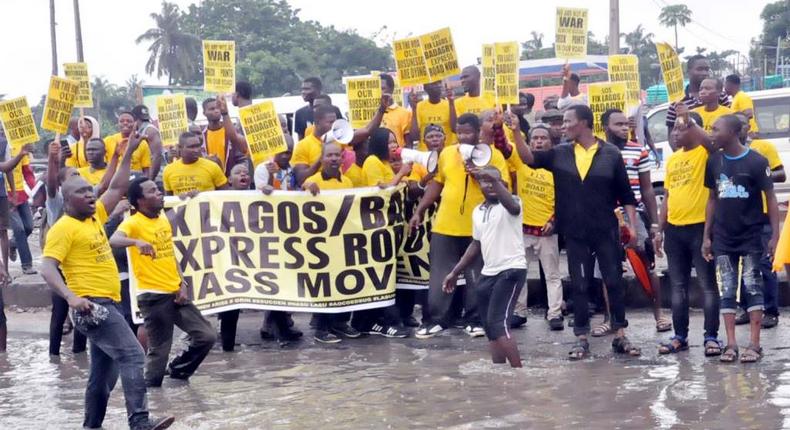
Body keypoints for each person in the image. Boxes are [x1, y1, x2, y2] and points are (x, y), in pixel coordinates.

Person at [40, 133, 174, 430]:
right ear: (67, 200)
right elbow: (47, 267)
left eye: (91, 190)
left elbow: (117, 186)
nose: (91, 195)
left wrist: (128, 153)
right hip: (91, 306)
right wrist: (71, 297)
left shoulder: (95, 217)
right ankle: (139, 422)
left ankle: (91, 426)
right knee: (134, 355)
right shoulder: (64, 227)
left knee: (101, 377)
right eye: (82, 192)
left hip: (106, 304)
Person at [514, 104, 641, 359]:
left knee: (613, 282)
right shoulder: (559, 153)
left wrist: (633, 228)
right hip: (575, 234)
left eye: (568, 121)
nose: (563, 126)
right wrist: (517, 131)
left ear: (583, 123)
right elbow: (529, 158)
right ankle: (581, 337)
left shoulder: (611, 154)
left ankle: (620, 335)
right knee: (580, 285)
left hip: (606, 231)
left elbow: (626, 194)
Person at [409, 113, 510, 339]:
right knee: (439, 274)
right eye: (459, 132)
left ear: (478, 132)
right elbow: (437, 183)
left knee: (478, 275)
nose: (463, 137)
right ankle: (436, 320)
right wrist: (420, 210)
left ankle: (474, 319)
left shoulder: (493, 155)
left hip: (479, 227)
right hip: (445, 224)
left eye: (467, 132)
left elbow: (503, 186)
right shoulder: (446, 153)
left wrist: (479, 171)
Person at [110, 176, 216, 386]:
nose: (159, 194)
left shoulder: (162, 219)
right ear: (140, 201)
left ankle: (178, 372)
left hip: (175, 292)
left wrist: (182, 283)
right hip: (153, 297)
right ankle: (148, 396)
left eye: (158, 190)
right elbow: (114, 239)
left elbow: (170, 253)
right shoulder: (133, 222)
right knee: (159, 354)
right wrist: (136, 242)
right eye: (152, 192)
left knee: (207, 335)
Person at [702, 114, 779, 364]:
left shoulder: (757, 161)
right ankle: (731, 343)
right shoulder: (714, 161)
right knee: (727, 288)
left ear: (733, 132)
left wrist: (775, 235)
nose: (711, 133)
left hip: (751, 236)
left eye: (716, 129)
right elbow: (712, 199)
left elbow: (771, 198)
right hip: (723, 237)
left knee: (752, 286)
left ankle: (754, 344)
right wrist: (707, 235)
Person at [654, 111, 722, 356]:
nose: (675, 133)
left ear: (694, 130)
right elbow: (668, 197)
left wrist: (689, 119)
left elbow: (712, 143)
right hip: (674, 230)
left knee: (708, 286)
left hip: (701, 229)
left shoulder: (706, 153)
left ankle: (711, 338)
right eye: (673, 129)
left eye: (680, 128)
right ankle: (679, 337)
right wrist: (659, 230)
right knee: (677, 286)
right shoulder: (672, 160)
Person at [443, 166, 525, 366]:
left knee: (499, 324)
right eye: (485, 181)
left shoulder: (512, 202)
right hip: (488, 273)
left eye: (494, 181)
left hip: (511, 269)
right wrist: (454, 272)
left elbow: (514, 208)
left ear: (503, 183)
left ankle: (519, 374)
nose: (490, 185)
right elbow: (475, 244)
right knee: (489, 326)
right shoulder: (478, 211)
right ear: (479, 185)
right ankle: (499, 371)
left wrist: (495, 181)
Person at [602, 109, 671, 332]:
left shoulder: (638, 150)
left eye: (626, 124)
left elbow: (648, 190)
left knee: (648, 266)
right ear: (605, 127)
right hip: (606, 217)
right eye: (618, 124)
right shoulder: (597, 151)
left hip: (635, 217)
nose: (624, 128)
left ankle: (659, 315)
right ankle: (609, 319)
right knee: (607, 270)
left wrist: (653, 224)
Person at [506, 124, 563, 330]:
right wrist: (513, 129)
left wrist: (554, 221)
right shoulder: (520, 163)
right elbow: (504, 146)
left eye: (543, 138)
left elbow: (564, 199)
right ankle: (519, 312)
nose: (539, 141)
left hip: (547, 230)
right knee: (519, 273)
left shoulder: (557, 166)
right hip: (522, 230)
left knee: (552, 275)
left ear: (551, 142)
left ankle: (555, 314)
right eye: (535, 138)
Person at [733, 112, 785, 328]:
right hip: (739, 216)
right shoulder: (725, 154)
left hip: (762, 214)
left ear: (748, 127)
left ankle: (771, 311)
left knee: (765, 263)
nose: (740, 129)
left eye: (743, 125)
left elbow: (781, 174)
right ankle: (745, 308)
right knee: (744, 264)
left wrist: (755, 175)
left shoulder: (764, 148)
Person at [302, 141, 357, 343]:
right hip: (320, 243)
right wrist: (308, 185)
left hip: (342, 241)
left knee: (345, 282)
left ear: (342, 158)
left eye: (337, 155)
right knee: (324, 285)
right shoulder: (314, 180)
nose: (333, 159)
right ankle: (322, 328)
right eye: (329, 155)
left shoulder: (348, 182)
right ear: (322, 159)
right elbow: (302, 187)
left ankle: (341, 323)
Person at [45, 140, 89, 356]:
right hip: (61, 266)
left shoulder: (86, 199)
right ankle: (54, 357)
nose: (79, 178)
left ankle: (79, 355)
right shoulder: (56, 201)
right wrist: (53, 160)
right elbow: (51, 185)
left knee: (82, 311)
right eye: (73, 176)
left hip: (80, 265)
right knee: (60, 311)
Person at [665, 55, 731, 134]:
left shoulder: (719, 94)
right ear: (688, 71)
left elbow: (730, 122)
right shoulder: (677, 101)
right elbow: (672, 135)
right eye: (700, 69)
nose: (704, 73)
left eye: (707, 69)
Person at [162, 131, 229, 197]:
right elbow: (169, 199)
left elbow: (225, 194)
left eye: (198, 146)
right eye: (191, 147)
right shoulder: (168, 170)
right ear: (180, 147)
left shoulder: (212, 167)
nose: (196, 150)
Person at [8, 137, 37, 275]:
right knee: (19, 229)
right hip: (5, 195)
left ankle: (12, 243)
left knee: (29, 227)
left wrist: (36, 190)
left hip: (20, 193)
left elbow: (27, 173)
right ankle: (27, 264)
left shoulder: (20, 144)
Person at [201, 97, 248, 176]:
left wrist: (237, 176)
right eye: (211, 109)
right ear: (204, 113)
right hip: (211, 180)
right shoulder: (201, 135)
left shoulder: (231, 131)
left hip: (231, 181)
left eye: (218, 108)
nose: (216, 111)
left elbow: (242, 158)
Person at [409, 81, 456, 150]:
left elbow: (455, 129)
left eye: (439, 82)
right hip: (426, 155)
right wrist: (414, 109)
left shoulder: (450, 105)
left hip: (446, 154)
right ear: (425, 88)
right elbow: (414, 137)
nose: (437, 85)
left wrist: (451, 103)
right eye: (433, 83)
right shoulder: (419, 106)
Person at [104, 112, 152, 176]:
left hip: (134, 182)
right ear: (118, 124)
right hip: (113, 182)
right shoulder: (108, 141)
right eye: (121, 121)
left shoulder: (142, 143)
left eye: (129, 121)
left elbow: (146, 169)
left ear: (135, 124)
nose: (125, 123)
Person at [131, 104, 164, 180]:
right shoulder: (139, 131)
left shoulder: (150, 130)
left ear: (134, 118)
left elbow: (157, 156)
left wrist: (151, 179)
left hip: (157, 175)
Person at [380, 74, 412, 148]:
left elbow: (409, 143)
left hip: (397, 157)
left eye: (382, 88)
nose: (379, 92)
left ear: (391, 89)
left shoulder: (404, 113)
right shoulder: (371, 113)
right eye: (376, 88)